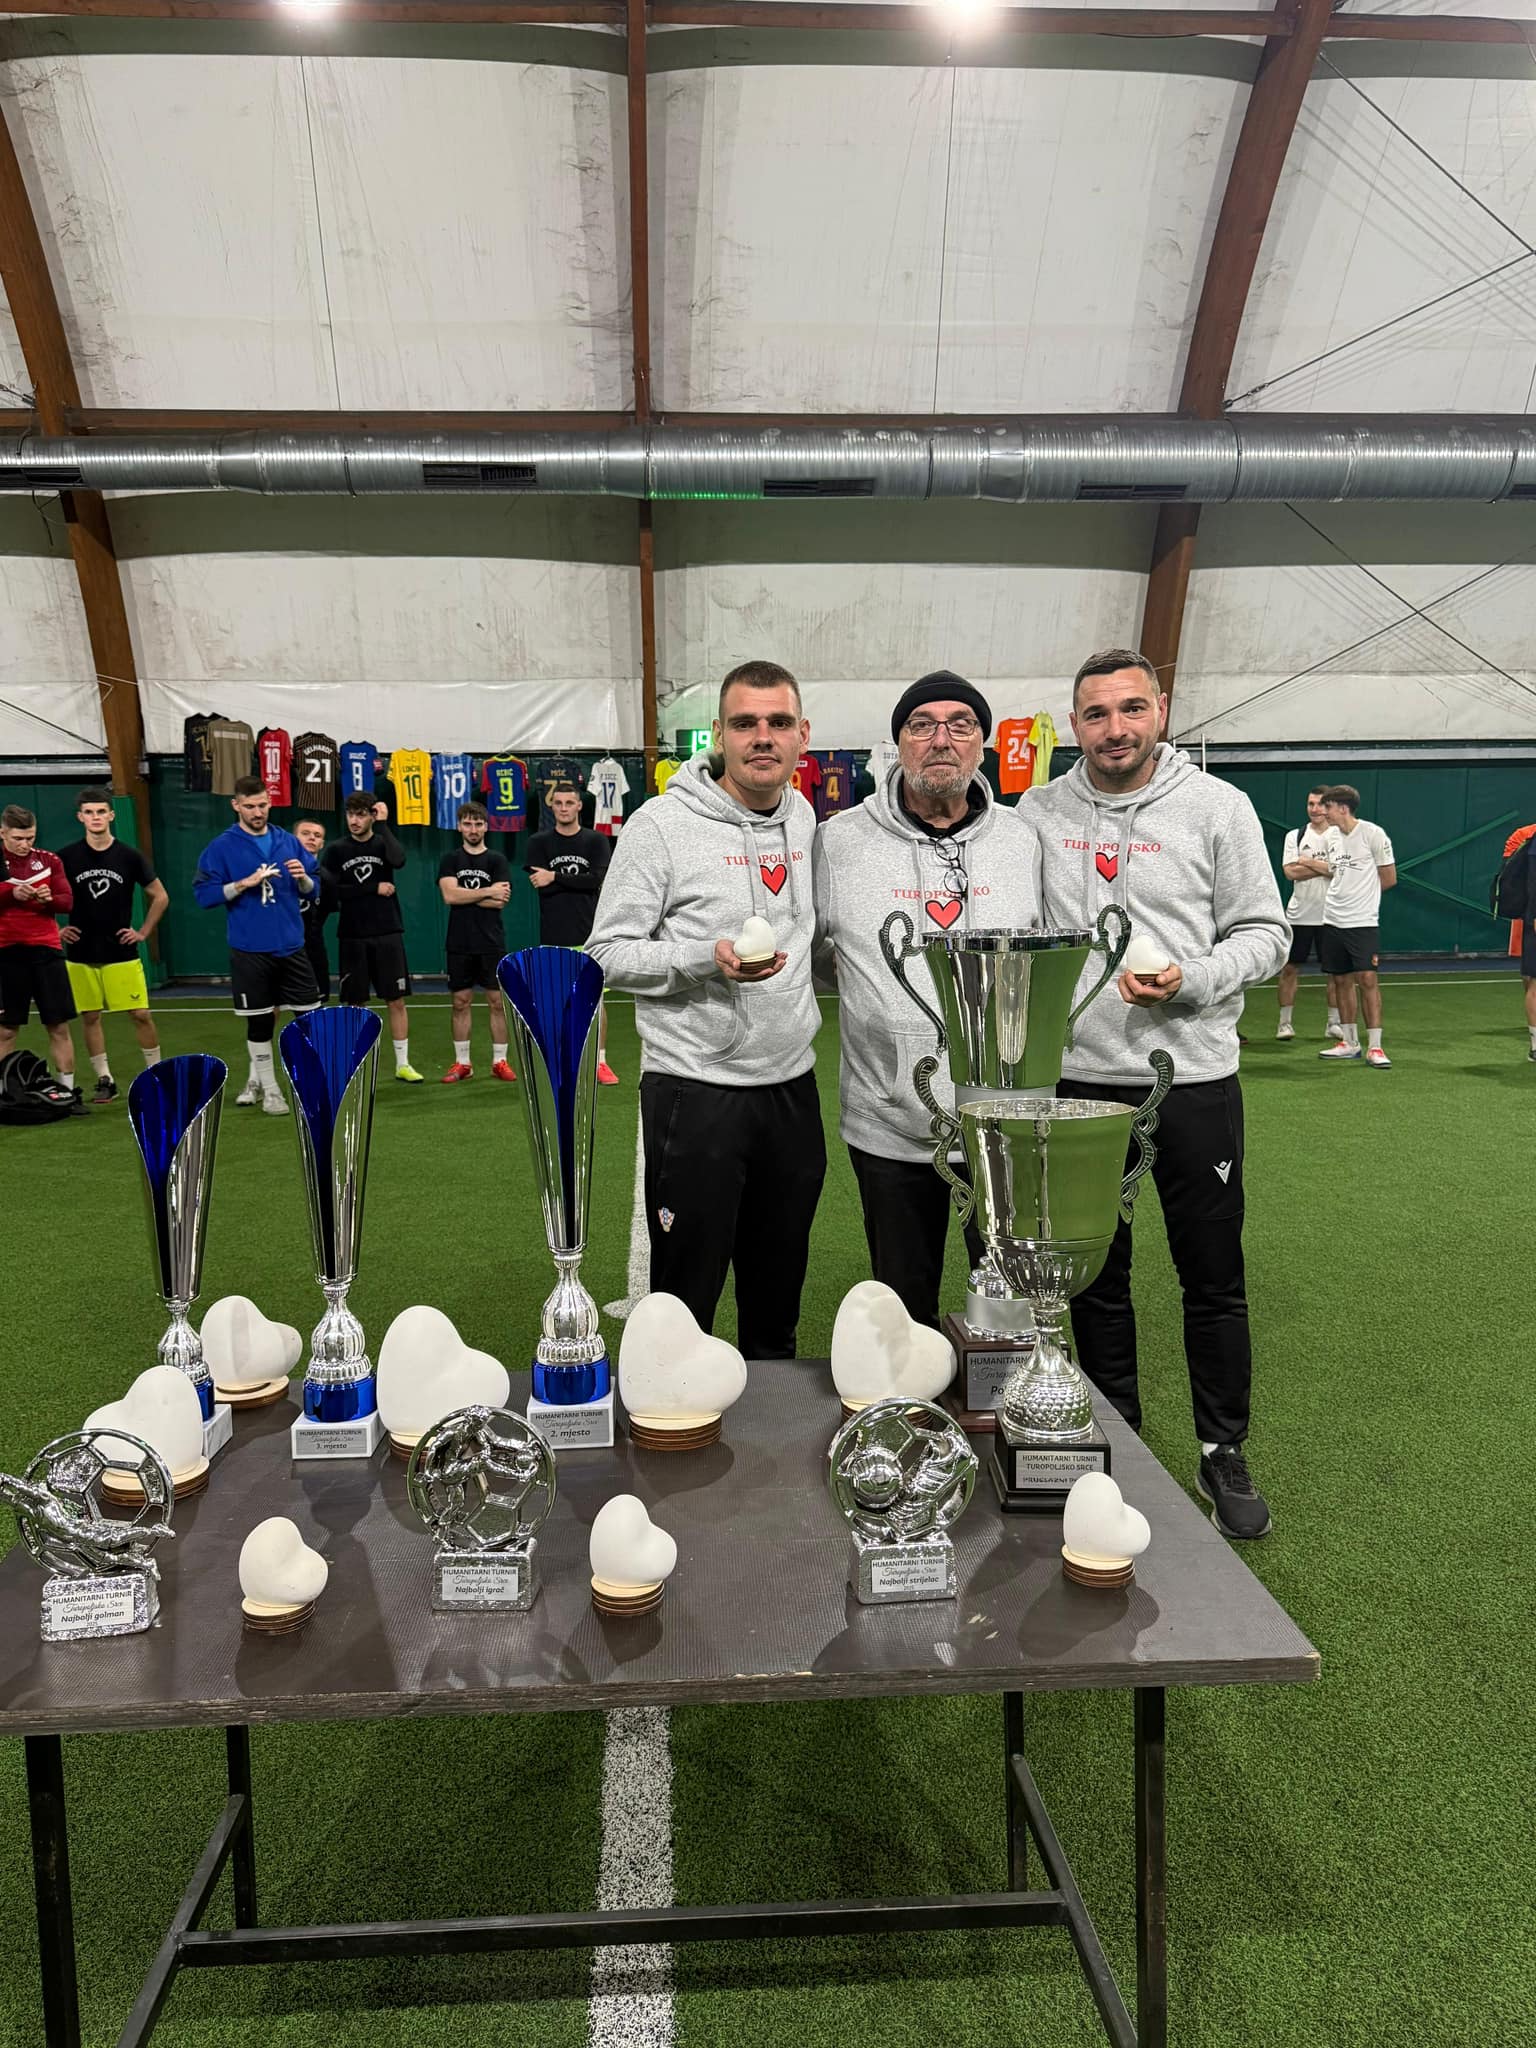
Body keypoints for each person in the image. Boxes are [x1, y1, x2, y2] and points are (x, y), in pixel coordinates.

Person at [1030, 648, 1289, 1541]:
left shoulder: (1219, 807)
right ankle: (1120, 1442)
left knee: (1212, 1277)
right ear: (1075, 724)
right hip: (1079, 1081)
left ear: (1162, 710)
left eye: (1131, 709)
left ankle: (1223, 1449)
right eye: (1097, 714)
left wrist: (1193, 978)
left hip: (1193, 1079)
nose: (1116, 729)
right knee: (1095, 1281)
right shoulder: (1038, 813)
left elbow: (1267, 932)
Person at [587, 659, 824, 1360]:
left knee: (777, 1303)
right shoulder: (660, 825)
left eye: (778, 722)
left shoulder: (805, 817)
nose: (762, 737)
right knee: (685, 1308)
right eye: (745, 723)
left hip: (791, 1090)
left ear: (802, 735)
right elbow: (605, 954)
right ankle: (676, 1422)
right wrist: (703, 956)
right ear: (718, 735)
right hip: (695, 1092)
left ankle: (768, 1424)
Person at [813, 671, 1040, 1328]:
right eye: (921, 725)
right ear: (899, 744)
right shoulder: (839, 840)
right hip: (888, 1123)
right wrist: (884, 1010)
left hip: (1003, 1122)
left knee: (1006, 1313)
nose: (941, 739)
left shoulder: (1023, 840)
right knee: (903, 1308)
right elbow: (817, 952)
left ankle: (996, 1394)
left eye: (960, 724)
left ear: (982, 744)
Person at [192, 775, 321, 1115]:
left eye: (262, 805)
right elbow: (204, 896)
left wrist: (303, 879)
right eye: (250, 806)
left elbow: (315, 887)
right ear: (236, 805)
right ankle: (271, 1090)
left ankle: (309, 1086)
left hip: (292, 946)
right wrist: (243, 884)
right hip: (250, 950)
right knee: (260, 1022)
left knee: (309, 1020)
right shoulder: (222, 847)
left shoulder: (287, 841)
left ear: (270, 803)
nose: (257, 812)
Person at [56, 788, 168, 1101]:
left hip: (121, 952)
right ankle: (104, 1078)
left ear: (111, 815)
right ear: (80, 817)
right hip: (81, 953)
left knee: (140, 1014)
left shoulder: (129, 856)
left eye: (101, 812)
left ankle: (155, 1075)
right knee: (90, 1016)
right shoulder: (65, 857)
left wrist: (143, 932)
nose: (96, 818)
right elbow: (42, 898)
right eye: (89, 812)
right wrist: (57, 929)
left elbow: (160, 896)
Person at [322, 794, 421, 1083]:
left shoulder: (382, 843)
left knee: (396, 1000)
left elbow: (399, 860)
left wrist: (385, 825)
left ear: (372, 815)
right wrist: (372, 888)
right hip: (353, 935)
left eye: (361, 815)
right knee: (355, 1003)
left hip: (388, 932)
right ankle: (356, 1065)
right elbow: (332, 891)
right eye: (350, 814)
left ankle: (403, 1064)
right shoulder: (336, 850)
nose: (354, 821)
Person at [1298, 785, 1397, 1068]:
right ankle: (1350, 1043)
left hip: (1363, 922)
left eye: (1326, 806)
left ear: (1342, 808)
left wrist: (1362, 898)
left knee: (1367, 980)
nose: (1322, 812)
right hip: (1332, 919)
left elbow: (1389, 878)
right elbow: (1335, 870)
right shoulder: (1331, 836)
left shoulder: (1373, 834)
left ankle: (1375, 1047)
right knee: (1341, 980)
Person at [525, 783, 617, 1085]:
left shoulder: (596, 841)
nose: (564, 808)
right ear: (551, 806)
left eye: (569, 803)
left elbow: (597, 881)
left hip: (590, 935)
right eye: (558, 803)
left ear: (579, 806)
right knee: (557, 1005)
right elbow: (540, 885)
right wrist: (575, 881)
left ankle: (600, 1062)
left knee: (596, 1003)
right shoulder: (538, 842)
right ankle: (563, 1064)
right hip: (553, 935)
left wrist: (554, 876)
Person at [0, 804, 86, 1113]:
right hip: (6, 952)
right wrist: (12, 894)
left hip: (46, 950)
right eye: (18, 838)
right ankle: (3, 1094)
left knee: (58, 1025)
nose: (25, 844)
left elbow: (66, 901)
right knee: (6, 1029)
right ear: (2, 833)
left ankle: (68, 1093)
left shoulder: (49, 860)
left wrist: (46, 900)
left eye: (30, 838)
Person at [437, 801, 516, 1084]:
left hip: (491, 942)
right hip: (459, 942)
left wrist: (467, 895)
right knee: (460, 1002)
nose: (473, 829)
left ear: (486, 826)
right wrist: (487, 891)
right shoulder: (450, 860)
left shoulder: (497, 860)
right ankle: (463, 1063)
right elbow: (450, 896)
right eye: (468, 824)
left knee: (497, 1002)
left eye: (478, 824)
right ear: (459, 826)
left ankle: (499, 1061)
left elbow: (500, 901)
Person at [1276, 786, 1340, 1043]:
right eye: (1310, 804)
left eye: (1320, 804)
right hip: (1299, 915)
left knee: (1336, 973)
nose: (1314, 809)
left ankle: (1334, 1024)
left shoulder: (1340, 835)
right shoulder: (1295, 835)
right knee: (1289, 969)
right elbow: (1290, 872)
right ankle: (1284, 1024)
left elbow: (1341, 869)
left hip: (1332, 916)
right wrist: (1326, 866)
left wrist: (1307, 861)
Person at [293, 819, 334, 1002]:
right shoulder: (278, 871)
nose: (312, 838)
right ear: (293, 839)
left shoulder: (328, 879)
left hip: (312, 949)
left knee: (315, 1005)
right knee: (273, 1004)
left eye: (317, 835)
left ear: (322, 843)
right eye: (305, 833)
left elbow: (323, 914)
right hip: (281, 947)